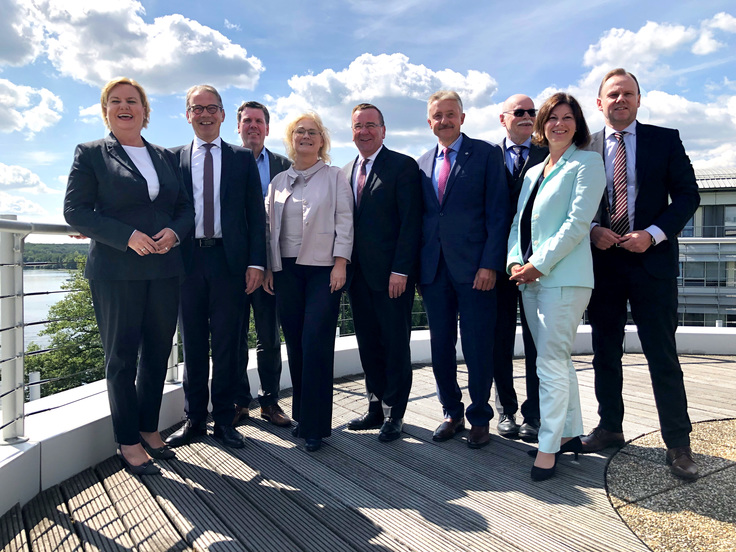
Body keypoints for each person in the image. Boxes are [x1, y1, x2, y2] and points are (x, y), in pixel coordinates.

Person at [64, 77, 194, 475]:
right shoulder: (90, 154)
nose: (125, 107)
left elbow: (186, 208)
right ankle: (128, 441)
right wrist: (127, 237)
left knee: (157, 353)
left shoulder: (164, 156)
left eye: (133, 101)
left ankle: (149, 429)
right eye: (116, 101)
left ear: (145, 110)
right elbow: (76, 211)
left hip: (165, 267)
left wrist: (175, 232)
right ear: (106, 110)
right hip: (117, 270)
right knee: (121, 358)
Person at [583, 68, 701, 480]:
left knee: (662, 356)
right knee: (604, 353)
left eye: (627, 93)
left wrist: (652, 235)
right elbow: (575, 203)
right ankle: (610, 427)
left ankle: (678, 445)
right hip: (603, 264)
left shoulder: (664, 139)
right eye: (612, 94)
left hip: (652, 263)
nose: (620, 100)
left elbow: (689, 195)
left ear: (638, 99)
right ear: (599, 103)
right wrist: (593, 229)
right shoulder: (585, 145)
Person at [508, 92, 605, 481]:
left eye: (567, 118)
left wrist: (538, 264)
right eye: (551, 118)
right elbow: (520, 223)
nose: (558, 124)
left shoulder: (588, 162)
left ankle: (547, 448)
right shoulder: (534, 171)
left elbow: (578, 224)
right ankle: (568, 435)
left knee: (548, 363)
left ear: (577, 124)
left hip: (563, 279)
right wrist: (515, 259)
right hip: (530, 278)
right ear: (541, 125)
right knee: (557, 360)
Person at [166, 85, 266, 450]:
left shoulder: (241, 158)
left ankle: (224, 420)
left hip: (230, 262)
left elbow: (256, 216)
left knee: (227, 343)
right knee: (192, 343)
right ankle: (194, 419)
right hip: (187, 262)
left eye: (212, 108)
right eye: (197, 108)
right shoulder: (172, 158)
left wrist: (257, 262)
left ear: (223, 115)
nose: (205, 114)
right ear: (187, 114)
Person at [417, 91, 509, 449]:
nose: (444, 121)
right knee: (441, 345)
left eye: (450, 114)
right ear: (430, 122)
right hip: (434, 271)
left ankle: (480, 416)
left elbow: (498, 215)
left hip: (475, 271)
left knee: (476, 346)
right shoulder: (422, 163)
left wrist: (490, 264)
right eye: (438, 116)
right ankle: (451, 412)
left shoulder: (486, 155)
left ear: (463, 117)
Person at [263, 112, 353, 452]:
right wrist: (271, 268)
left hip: (323, 270)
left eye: (312, 132)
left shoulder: (334, 177)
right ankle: (303, 418)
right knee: (297, 343)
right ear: (291, 139)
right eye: (299, 132)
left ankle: (317, 427)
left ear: (322, 141)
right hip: (286, 271)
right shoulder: (278, 181)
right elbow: (269, 230)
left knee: (316, 343)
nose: (305, 136)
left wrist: (340, 263)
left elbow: (345, 221)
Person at [342, 103, 421, 442]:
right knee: (368, 344)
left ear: (384, 130)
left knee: (394, 345)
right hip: (356, 277)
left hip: (392, 277)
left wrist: (401, 270)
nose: (364, 131)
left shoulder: (403, 166)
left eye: (371, 125)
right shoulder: (345, 170)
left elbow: (411, 223)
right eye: (358, 126)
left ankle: (396, 412)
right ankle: (375, 406)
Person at [233, 100, 292, 428]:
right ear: (238, 126)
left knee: (269, 336)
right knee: (235, 336)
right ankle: (240, 403)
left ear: (267, 128)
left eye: (259, 121)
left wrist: (271, 264)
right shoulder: (227, 161)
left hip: (270, 266)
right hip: (232, 266)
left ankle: (270, 403)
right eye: (247, 121)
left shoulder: (284, 166)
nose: (253, 126)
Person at [493, 94, 547, 442]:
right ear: (504, 119)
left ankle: (534, 414)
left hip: (538, 265)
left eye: (532, 112)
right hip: (497, 266)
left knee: (535, 342)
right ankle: (505, 410)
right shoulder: (486, 157)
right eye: (520, 112)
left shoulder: (549, 153)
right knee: (499, 340)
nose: (527, 117)